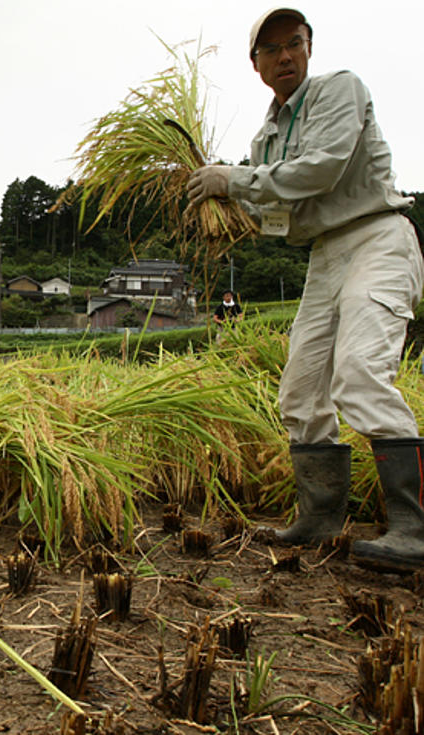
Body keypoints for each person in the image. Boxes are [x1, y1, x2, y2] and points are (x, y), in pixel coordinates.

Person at [186, 8, 424, 570]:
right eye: (270, 50)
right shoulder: (265, 140)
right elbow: (280, 216)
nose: (284, 56)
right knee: (300, 391)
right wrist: (224, 201)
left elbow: (321, 169)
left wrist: (233, 178)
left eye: (293, 43)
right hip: (325, 256)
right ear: (257, 65)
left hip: (377, 238)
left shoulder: (339, 91)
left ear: (309, 47)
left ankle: (415, 528)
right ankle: (320, 518)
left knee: (360, 374)